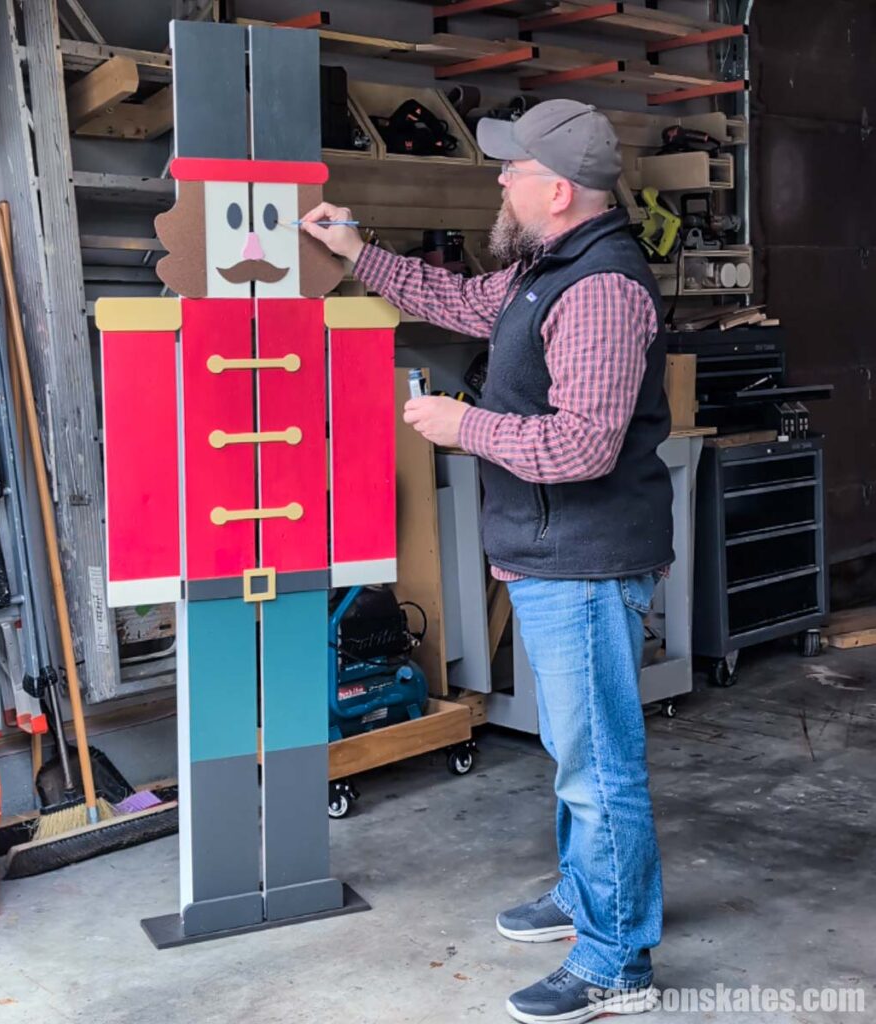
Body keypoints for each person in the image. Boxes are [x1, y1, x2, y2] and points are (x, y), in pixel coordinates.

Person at [302, 98, 673, 1024]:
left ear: (556, 190)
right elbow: (462, 301)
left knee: (599, 766)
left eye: (508, 170)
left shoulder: (598, 288)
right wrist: (357, 249)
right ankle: (587, 898)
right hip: (553, 554)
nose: (495, 180)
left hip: (584, 563)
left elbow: (584, 445)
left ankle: (615, 959)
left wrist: (462, 426)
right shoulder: (544, 269)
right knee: (574, 752)